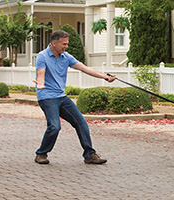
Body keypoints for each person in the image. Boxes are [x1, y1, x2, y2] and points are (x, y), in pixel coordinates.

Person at [33, 30, 115, 165]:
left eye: (67, 44)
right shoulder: (42, 56)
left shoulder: (66, 57)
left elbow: (85, 68)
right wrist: (40, 82)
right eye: (63, 44)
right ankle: (41, 153)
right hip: (47, 96)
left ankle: (90, 155)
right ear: (54, 43)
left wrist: (105, 77)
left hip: (61, 96)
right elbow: (40, 72)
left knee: (81, 122)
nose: (66, 47)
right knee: (54, 126)